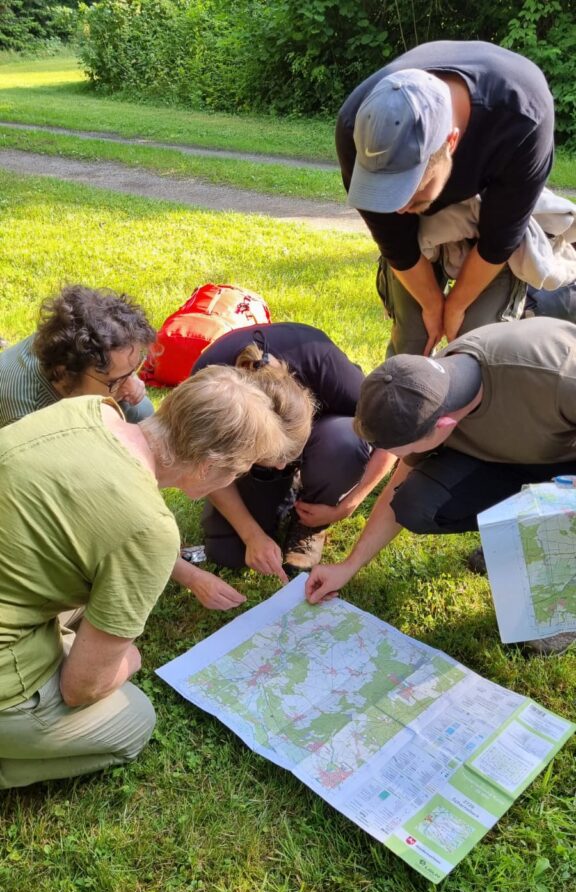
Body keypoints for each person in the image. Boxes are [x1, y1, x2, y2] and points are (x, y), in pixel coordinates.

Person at [0, 367, 293, 788]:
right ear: (207, 467)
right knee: (134, 722)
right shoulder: (150, 528)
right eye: (238, 471)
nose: (234, 480)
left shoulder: (90, 409)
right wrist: (130, 659)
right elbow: (80, 688)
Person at [305, 317, 576, 648]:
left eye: (405, 450)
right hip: (512, 456)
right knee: (415, 504)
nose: (399, 458)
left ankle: (557, 573)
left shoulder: (560, 375)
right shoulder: (420, 392)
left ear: (444, 425)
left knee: (561, 524)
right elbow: (397, 488)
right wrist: (349, 566)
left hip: (565, 459)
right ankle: (514, 534)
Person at [336, 41, 554, 356]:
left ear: (451, 142)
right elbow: (395, 241)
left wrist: (456, 306)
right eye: (385, 191)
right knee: (413, 338)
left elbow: (498, 241)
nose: (398, 208)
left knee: (475, 343)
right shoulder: (356, 128)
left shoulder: (523, 118)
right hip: (423, 232)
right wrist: (431, 305)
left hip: (489, 216)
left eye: (410, 190)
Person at [192, 322, 396, 579]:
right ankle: (277, 486)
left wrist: (348, 504)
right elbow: (204, 465)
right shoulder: (207, 386)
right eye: (274, 456)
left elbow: (394, 436)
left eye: (287, 456)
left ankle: (311, 519)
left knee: (344, 440)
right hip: (242, 443)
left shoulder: (323, 361)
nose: (281, 465)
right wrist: (251, 534)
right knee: (228, 554)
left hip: (328, 436)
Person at [0, 284, 156, 426]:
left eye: (133, 369)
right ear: (66, 374)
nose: (130, 385)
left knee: (141, 411)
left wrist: (126, 376)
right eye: (115, 381)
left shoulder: (70, 340)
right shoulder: (26, 417)